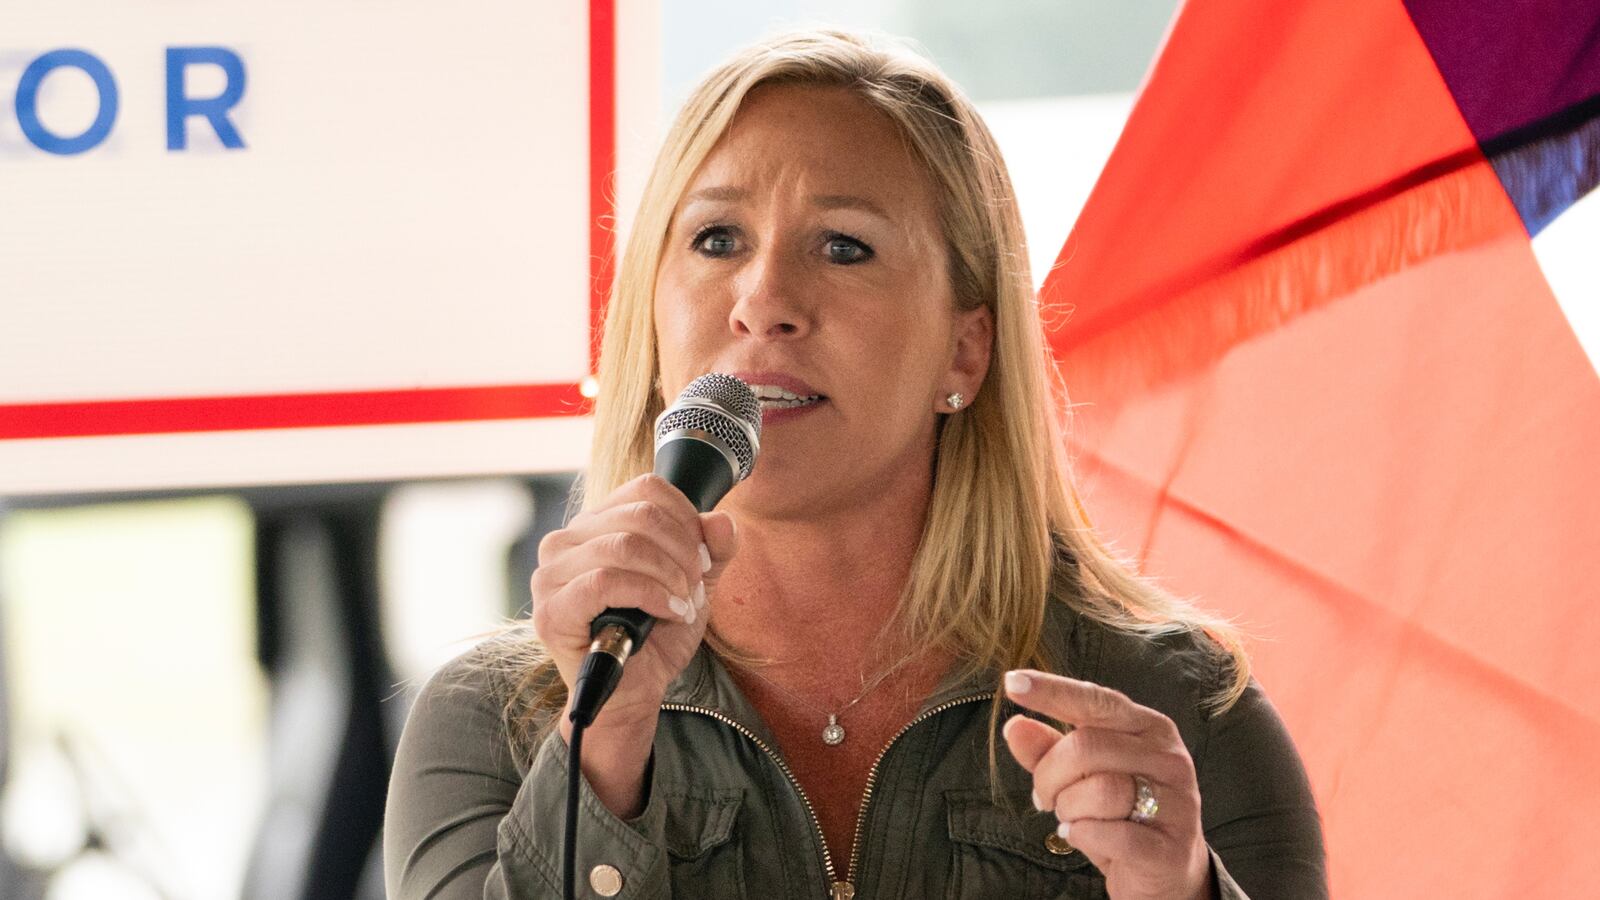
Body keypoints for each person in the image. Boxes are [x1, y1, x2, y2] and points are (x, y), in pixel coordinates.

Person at [384, 29, 1326, 900]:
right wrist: (603, 757)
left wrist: (1184, 890)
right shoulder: (493, 725)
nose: (764, 301)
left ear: (965, 352)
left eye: (844, 247)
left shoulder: (1175, 710)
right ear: (653, 319)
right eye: (718, 239)